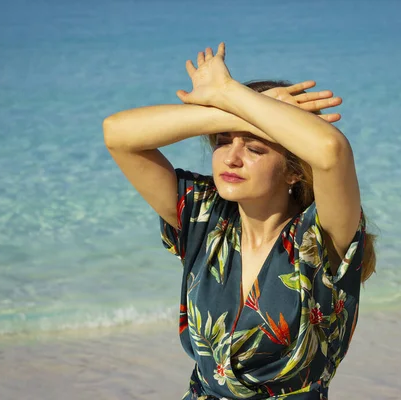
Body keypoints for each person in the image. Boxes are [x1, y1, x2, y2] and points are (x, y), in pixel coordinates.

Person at [103, 43, 376, 399]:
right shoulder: (204, 219)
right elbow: (118, 134)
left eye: (255, 148)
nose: (231, 158)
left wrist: (229, 92)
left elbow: (330, 151)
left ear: (293, 172)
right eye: (222, 142)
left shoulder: (321, 238)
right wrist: (232, 111)